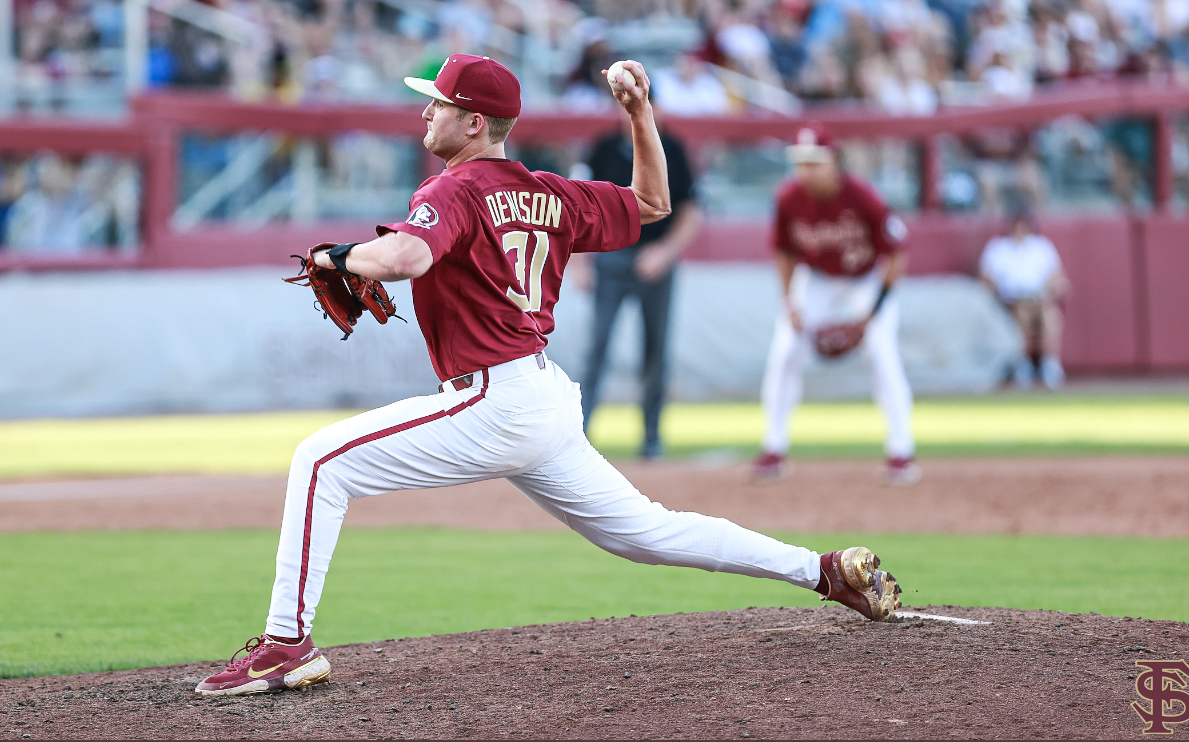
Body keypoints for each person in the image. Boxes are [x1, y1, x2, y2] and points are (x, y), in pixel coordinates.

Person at [195, 55, 902, 697]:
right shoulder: (550, 193)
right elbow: (652, 204)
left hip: (493, 400)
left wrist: (338, 256)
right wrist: (638, 114)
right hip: (539, 399)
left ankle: (285, 646)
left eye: (436, 104)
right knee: (645, 533)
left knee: (320, 461)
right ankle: (823, 570)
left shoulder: (455, 187)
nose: (424, 114)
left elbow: (407, 258)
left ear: (474, 122)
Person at [754, 123, 919, 486]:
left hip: (865, 279)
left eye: (815, 160)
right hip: (816, 279)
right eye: (800, 161)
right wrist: (789, 302)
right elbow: (782, 252)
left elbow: (896, 255)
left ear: (835, 160)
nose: (806, 169)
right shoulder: (788, 197)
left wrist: (871, 314)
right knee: (785, 351)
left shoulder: (863, 196)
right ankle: (773, 447)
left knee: (880, 352)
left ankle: (901, 451)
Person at [574, 107, 701, 460]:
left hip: (654, 261)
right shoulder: (602, 146)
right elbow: (580, 205)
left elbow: (692, 210)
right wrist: (581, 262)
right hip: (610, 257)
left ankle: (651, 439)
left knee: (655, 351)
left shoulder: (672, 148)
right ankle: (577, 438)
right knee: (597, 348)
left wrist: (664, 252)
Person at [978, 208, 1068, 389]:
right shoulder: (998, 248)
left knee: (1049, 317)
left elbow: (1058, 278)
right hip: (1010, 302)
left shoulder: (1041, 247)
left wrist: (1050, 290)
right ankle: (1022, 363)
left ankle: (1049, 364)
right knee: (1022, 314)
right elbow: (985, 279)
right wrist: (1004, 293)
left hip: (1038, 300)